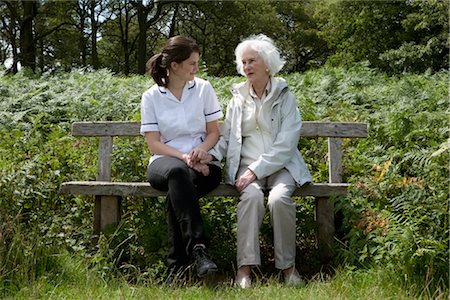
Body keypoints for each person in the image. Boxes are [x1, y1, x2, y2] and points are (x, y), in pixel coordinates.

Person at [204, 34, 312, 288]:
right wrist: (210, 157)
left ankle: (288, 268)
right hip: (245, 168)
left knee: (279, 199)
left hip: (281, 166)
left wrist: (255, 170)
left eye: (252, 60)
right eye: (243, 62)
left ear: (267, 63)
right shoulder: (237, 98)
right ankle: (244, 270)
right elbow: (227, 136)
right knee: (251, 198)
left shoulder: (285, 96)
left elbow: (287, 145)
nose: (247, 66)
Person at [140, 36, 223, 281]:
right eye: (192, 63)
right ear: (174, 65)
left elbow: (213, 132)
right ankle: (199, 248)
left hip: (205, 162)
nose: (196, 68)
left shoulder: (203, 88)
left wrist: (201, 152)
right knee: (178, 174)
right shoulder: (152, 96)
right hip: (165, 162)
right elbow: (154, 143)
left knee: (178, 190)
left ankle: (176, 268)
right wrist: (185, 157)